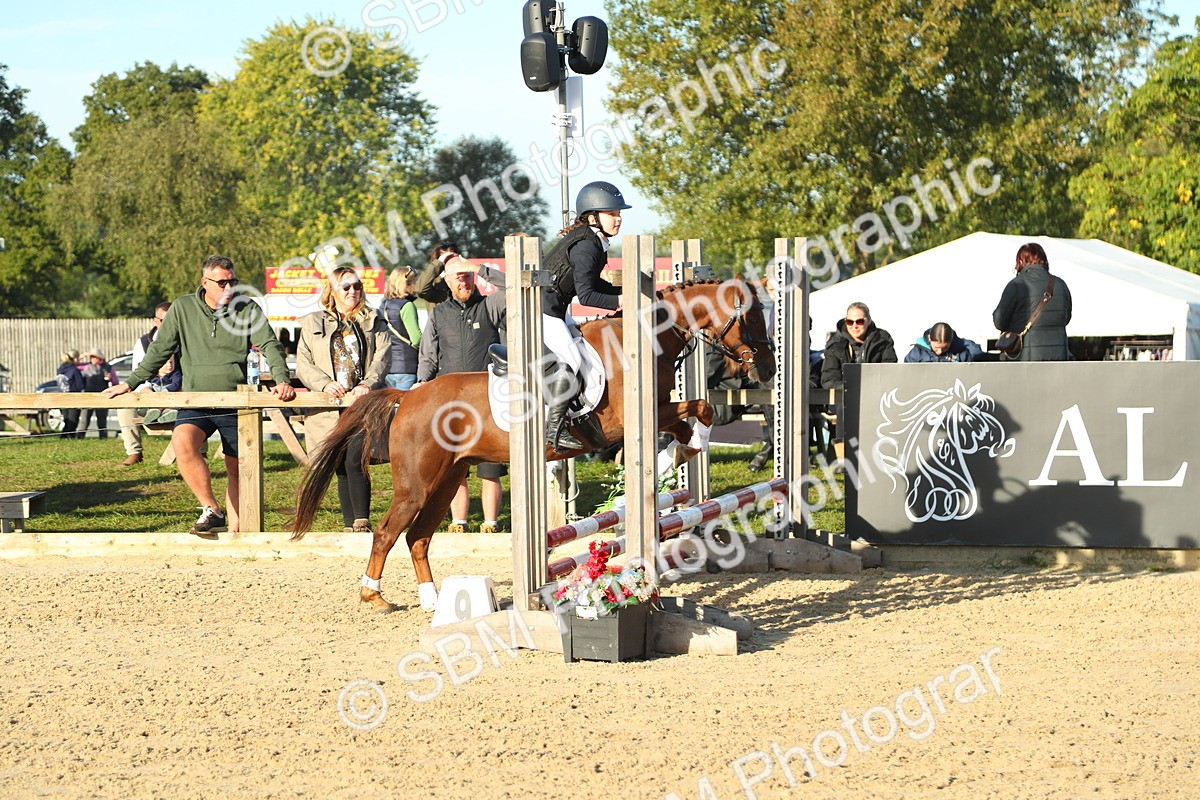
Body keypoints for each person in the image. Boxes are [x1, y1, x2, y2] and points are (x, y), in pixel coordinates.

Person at [103, 254, 295, 536]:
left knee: (237, 467)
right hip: (196, 399)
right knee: (183, 444)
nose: (228, 287)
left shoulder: (246, 308)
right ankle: (212, 510)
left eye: (233, 281)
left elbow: (269, 344)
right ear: (205, 282)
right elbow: (159, 350)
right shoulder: (182, 308)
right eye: (221, 282)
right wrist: (131, 383)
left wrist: (282, 379)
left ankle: (239, 532)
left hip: (237, 400)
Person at [296, 266, 391, 533]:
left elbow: (383, 356)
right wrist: (324, 383)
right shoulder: (313, 321)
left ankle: (362, 519)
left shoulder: (374, 319)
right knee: (338, 462)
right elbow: (303, 363)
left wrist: (367, 384)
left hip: (362, 403)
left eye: (357, 286)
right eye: (346, 287)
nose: (353, 291)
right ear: (333, 291)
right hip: (329, 405)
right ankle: (350, 525)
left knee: (355, 457)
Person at [416, 257, 507, 533]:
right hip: (451, 400)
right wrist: (422, 382)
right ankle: (459, 522)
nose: (463, 281)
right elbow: (428, 353)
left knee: (490, 467)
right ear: (447, 281)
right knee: (453, 465)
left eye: (467, 276)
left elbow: (513, 289)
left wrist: (480, 269)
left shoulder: (489, 305)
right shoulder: (439, 313)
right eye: (457, 277)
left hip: (487, 398)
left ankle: (490, 523)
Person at [539, 180, 628, 452]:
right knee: (572, 357)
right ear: (593, 216)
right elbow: (587, 296)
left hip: (555, 308)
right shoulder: (586, 246)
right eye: (612, 214)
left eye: (618, 214)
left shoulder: (592, 241)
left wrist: (626, 291)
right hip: (540, 310)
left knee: (585, 352)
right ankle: (553, 429)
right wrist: (622, 299)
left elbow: (591, 285)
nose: (618, 219)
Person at [116, 302, 181, 466]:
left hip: (178, 391)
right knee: (124, 406)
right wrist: (146, 390)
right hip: (150, 390)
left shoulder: (186, 340)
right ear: (155, 321)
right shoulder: (144, 342)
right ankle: (134, 452)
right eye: (162, 320)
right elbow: (137, 372)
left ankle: (201, 452)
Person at [992, 242, 1073, 361]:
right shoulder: (1061, 284)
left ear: (1020, 261)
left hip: (1025, 358)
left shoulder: (1016, 285)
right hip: (1059, 358)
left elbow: (999, 321)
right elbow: (1066, 319)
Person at [820, 302, 897, 388]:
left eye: (859, 322)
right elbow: (829, 379)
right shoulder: (835, 344)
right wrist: (851, 389)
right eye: (850, 322)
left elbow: (890, 372)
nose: (854, 326)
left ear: (868, 321)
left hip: (876, 393)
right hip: (845, 396)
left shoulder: (882, 339)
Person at [414, 241, 505, 305]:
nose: (451, 262)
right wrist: (439, 263)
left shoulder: (467, 282)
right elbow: (420, 289)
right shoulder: (437, 284)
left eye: (453, 258)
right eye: (446, 259)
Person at [378, 266, 422, 390]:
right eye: (412, 282)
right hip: (407, 368)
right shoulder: (407, 306)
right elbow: (416, 339)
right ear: (405, 284)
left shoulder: (383, 305)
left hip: (387, 368)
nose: (414, 285)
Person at [80, 347, 118, 438]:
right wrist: (83, 355)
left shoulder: (108, 368)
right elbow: (74, 364)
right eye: (91, 357)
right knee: (84, 420)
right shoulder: (86, 366)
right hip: (88, 396)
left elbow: (116, 382)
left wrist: (111, 378)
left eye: (94, 357)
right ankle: (80, 437)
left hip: (102, 396)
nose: (92, 359)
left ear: (99, 358)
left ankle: (103, 437)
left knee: (102, 420)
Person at [904, 322, 983, 363]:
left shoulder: (962, 353)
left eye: (945, 348)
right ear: (929, 339)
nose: (939, 352)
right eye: (936, 348)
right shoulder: (917, 352)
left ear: (951, 342)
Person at [55, 350, 84, 439]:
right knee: (73, 421)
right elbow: (80, 385)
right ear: (75, 358)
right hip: (73, 397)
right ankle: (70, 438)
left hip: (62, 397)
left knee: (66, 419)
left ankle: (64, 437)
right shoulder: (74, 370)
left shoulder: (60, 369)